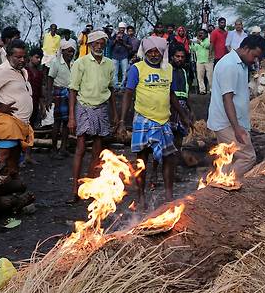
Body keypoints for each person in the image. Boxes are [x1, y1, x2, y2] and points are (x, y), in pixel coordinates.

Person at [119, 37, 190, 208]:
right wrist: (122, 120)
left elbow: (171, 95)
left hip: (163, 120)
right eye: (150, 51)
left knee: (169, 157)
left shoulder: (168, 69)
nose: (153, 54)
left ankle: (168, 196)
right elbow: (128, 94)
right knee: (142, 159)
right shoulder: (137, 69)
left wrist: (184, 115)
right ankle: (141, 196)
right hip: (143, 119)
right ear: (145, 52)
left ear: (162, 52)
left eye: (157, 52)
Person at [68, 30, 118, 202]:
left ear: (104, 45)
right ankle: (75, 189)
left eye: (101, 44)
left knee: (97, 149)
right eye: (95, 43)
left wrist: (116, 115)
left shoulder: (109, 64)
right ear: (89, 45)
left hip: (102, 107)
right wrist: (72, 117)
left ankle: (89, 187)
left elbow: (111, 90)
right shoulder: (80, 63)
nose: (98, 46)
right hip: (84, 106)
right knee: (80, 148)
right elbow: (73, 90)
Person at [207, 35, 265, 176]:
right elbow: (227, 99)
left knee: (231, 159)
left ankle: (221, 188)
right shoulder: (230, 65)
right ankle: (222, 185)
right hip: (226, 123)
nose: (255, 60)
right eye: (254, 56)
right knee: (248, 157)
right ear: (245, 48)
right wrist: (237, 129)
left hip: (233, 122)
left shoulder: (241, 63)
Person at [0, 39, 34, 178]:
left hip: (19, 122)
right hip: (6, 120)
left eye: (24, 57)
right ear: (9, 56)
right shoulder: (3, 70)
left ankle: (12, 186)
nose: (22, 60)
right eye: (18, 57)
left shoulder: (22, 71)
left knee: (14, 157)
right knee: (3, 156)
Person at [149, 46, 194, 191]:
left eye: (182, 57)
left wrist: (189, 112)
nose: (180, 59)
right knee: (160, 142)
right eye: (177, 56)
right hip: (168, 107)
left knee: (178, 143)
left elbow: (185, 93)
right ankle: (154, 174)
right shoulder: (166, 70)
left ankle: (172, 173)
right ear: (172, 57)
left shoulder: (184, 72)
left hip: (182, 107)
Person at [47, 39, 75, 157]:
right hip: (59, 92)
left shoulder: (74, 63)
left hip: (70, 93)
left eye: (72, 52)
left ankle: (63, 148)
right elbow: (50, 79)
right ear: (63, 51)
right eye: (68, 51)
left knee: (67, 122)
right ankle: (54, 149)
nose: (71, 54)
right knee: (57, 123)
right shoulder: (56, 62)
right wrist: (49, 97)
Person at [109, 22, 131, 89]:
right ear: (118, 28)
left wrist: (123, 42)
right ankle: (115, 86)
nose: (122, 29)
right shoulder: (114, 36)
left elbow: (130, 47)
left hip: (124, 56)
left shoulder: (127, 37)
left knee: (125, 72)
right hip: (115, 56)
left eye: (123, 28)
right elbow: (110, 45)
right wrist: (116, 40)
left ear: (125, 29)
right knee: (115, 72)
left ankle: (123, 86)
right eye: (121, 28)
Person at [191, 29, 213, 94]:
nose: (200, 34)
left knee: (210, 77)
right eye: (199, 33)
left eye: (202, 33)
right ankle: (202, 90)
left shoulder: (208, 40)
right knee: (200, 77)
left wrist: (199, 42)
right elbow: (194, 49)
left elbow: (206, 46)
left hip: (208, 61)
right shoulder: (198, 41)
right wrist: (192, 43)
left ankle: (212, 90)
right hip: (199, 61)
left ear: (206, 34)